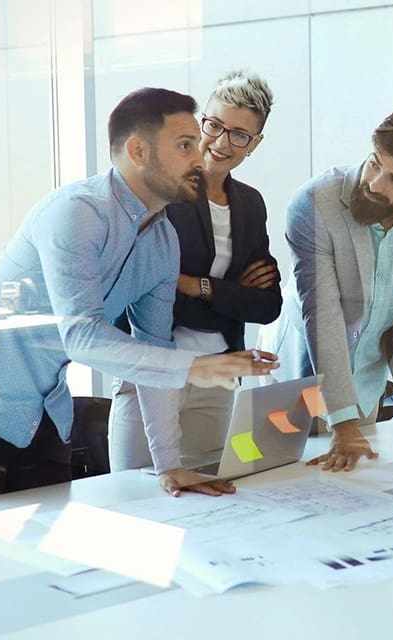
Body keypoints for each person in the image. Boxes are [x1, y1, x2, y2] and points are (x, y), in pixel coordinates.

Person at [0, 87, 279, 506]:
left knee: (53, 553)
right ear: (139, 150)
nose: (200, 157)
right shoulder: (76, 212)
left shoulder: (162, 240)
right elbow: (82, 336)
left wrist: (168, 465)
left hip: (44, 407)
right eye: (186, 144)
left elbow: (152, 348)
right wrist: (192, 367)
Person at [108, 71, 282, 494]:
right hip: (150, 368)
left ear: (255, 144)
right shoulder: (166, 191)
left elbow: (267, 305)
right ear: (202, 120)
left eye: (240, 135)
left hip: (217, 376)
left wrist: (198, 286)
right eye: (215, 126)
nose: (222, 143)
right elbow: (143, 293)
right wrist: (227, 292)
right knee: (135, 498)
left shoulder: (250, 204)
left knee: (205, 499)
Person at [269, 107, 393, 472]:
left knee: (350, 483)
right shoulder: (315, 202)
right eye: (374, 164)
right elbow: (323, 313)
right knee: (283, 479)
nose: (376, 183)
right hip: (298, 372)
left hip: (368, 376)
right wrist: (343, 422)